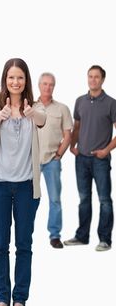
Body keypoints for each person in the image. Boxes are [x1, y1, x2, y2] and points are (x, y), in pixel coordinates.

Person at [0, 58, 46, 306]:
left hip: (25, 187)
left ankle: (19, 298)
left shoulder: (36, 106)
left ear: (26, 80)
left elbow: (42, 119)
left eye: (20, 77)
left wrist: (31, 113)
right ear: (5, 79)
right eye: (11, 77)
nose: (15, 81)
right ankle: (2, 299)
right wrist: (1, 114)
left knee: (24, 245)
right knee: (0, 245)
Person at [64, 65, 116, 251]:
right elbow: (77, 127)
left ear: (102, 79)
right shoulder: (80, 101)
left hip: (100, 160)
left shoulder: (111, 103)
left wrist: (106, 150)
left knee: (104, 200)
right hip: (82, 159)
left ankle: (105, 239)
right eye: (90, 76)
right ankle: (82, 236)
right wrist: (72, 146)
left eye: (96, 77)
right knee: (84, 199)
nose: (93, 80)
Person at [37, 72, 73, 249]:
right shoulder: (30, 106)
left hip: (52, 160)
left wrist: (59, 154)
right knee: (26, 199)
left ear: (54, 86)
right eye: (44, 84)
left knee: (55, 199)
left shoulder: (62, 109)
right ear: (39, 85)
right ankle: (24, 232)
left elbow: (68, 134)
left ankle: (55, 235)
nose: (47, 87)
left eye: (51, 84)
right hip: (31, 161)